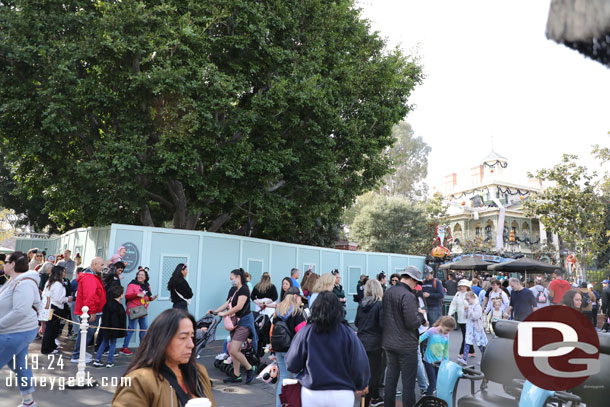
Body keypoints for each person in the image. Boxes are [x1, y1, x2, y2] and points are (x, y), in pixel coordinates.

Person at [112, 308, 216, 406]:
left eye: (192, 337)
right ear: (162, 340)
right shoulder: (138, 381)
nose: (191, 344)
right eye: (183, 338)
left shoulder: (199, 372)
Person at [286, 291, 370, 407]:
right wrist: (362, 383)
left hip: (312, 392)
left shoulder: (306, 332)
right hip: (342, 392)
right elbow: (359, 361)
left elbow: (292, 363)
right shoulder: (348, 333)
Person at [0, 251, 41, 407]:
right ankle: (29, 401)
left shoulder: (23, 283)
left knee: (19, 365)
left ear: (14, 264)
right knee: (19, 366)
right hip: (17, 331)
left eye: (7, 261)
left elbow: (20, 311)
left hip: (15, 332)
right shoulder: (14, 280)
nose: (4, 263)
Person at [382, 266, 426, 407]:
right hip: (406, 345)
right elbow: (412, 322)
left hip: (389, 342)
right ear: (412, 279)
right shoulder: (408, 295)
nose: (417, 285)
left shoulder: (388, 292)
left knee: (391, 380)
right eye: (417, 282)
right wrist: (421, 316)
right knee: (408, 384)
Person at [209, 268, 258, 384]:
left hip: (244, 323)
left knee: (234, 350)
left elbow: (239, 306)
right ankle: (236, 375)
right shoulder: (234, 290)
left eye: (232, 279)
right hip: (235, 323)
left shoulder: (245, 290)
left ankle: (249, 368)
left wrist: (225, 313)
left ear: (238, 277)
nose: (231, 281)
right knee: (234, 349)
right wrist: (215, 312)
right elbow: (228, 303)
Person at [273, 286, 307, 407]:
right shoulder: (297, 313)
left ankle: (279, 405)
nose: (301, 301)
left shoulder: (278, 311)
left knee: (283, 377)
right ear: (295, 297)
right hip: (292, 350)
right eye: (300, 298)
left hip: (279, 348)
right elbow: (302, 333)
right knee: (298, 378)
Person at [71, 256, 107, 363]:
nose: (102, 267)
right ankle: (77, 355)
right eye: (101, 265)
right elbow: (89, 296)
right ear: (94, 264)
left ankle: (80, 353)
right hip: (91, 311)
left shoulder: (90, 276)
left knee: (87, 333)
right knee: (86, 334)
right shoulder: (90, 277)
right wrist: (92, 312)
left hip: (92, 310)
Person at [355, 279, 384, 407]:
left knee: (363, 374)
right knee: (373, 374)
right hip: (375, 343)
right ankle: (367, 401)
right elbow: (382, 324)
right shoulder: (380, 305)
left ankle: (364, 401)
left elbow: (356, 323)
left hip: (361, 342)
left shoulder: (361, 304)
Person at [121, 268, 157, 355]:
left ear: (145, 277)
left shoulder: (147, 285)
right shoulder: (132, 284)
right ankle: (124, 348)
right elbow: (127, 296)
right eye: (139, 274)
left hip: (143, 310)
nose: (140, 276)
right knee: (132, 329)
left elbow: (146, 297)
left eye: (142, 275)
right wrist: (137, 294)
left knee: (144, 329)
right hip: (134, 309)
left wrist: (151, 299)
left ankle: (142, 347)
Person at [419, 316, 456, 395]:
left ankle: (435, 398)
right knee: (433, 382)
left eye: (450, 331)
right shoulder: (432, 331)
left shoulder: (446, 335)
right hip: (428, 361)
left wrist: (446, 362)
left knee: (437, 382)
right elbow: (421, 338)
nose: (448, 332)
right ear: (442, 324)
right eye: (447, 330)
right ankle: (428, 399)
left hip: (438, 362)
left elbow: (446, 349)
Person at [93, 285, 127, 368]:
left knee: (104, 343)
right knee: (113, 344)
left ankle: (97, 360)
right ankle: (110, 361)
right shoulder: (118, 306)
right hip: (113, 329)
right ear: (121, 295)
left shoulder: (107, 304)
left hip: (106, 327)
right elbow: (116, 319)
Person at [41, 266, 71, 354]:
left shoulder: (50, 281)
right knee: (50, 329)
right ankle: (47, 349)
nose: (65, 274)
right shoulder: (57, 284)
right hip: (55, 307)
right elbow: (59, 298)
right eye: (63, 272)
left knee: (52, 329)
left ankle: (51, 346)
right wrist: (67, 299)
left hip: (50, 306)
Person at [459, 291, 487, 365]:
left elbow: (475, 316)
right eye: (466, 300)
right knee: (467, 342)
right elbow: (466, 316)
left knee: (480, 344)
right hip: (469, 328)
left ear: (473, 298)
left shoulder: (477, 306)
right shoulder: (469, 306)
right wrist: (465, 310)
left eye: (468, 299)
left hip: (476, 328)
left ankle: (485, 359)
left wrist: (469, 309)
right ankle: (464, 359)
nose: (467, 301)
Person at [448, 279, 472, 359]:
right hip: (461, 318)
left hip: (469, 318)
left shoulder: (471, 294)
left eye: (464, 286)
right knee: (465, 335)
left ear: (467, 287)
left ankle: (462, 352)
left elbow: (475, 304)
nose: (462, 288)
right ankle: (472, 351)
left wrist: (469, 307)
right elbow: (453, 304)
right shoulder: (457, 294)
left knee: (466, 336)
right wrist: (449, 314)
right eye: (461, 286)